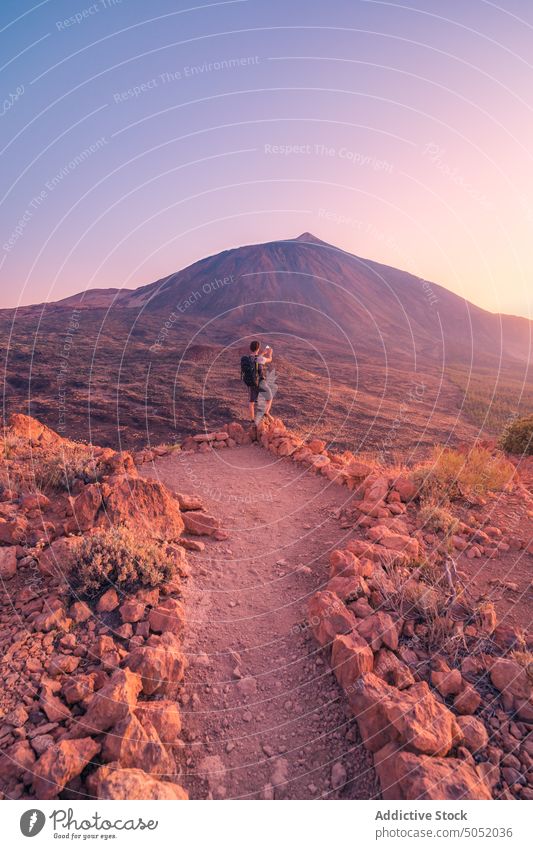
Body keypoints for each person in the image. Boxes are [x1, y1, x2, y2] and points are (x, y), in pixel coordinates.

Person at [241, 340, 273, 424]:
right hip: (261, 382)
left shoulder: (247, 359)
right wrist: (269, 354)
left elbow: (255, 359)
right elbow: (269, 359)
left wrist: (262, 353)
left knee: (251, 402)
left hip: (251, 382)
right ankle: (266, 412)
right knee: (269, 398)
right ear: (258, 348)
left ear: (250, 348)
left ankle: (252, 420)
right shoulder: (261, 359)